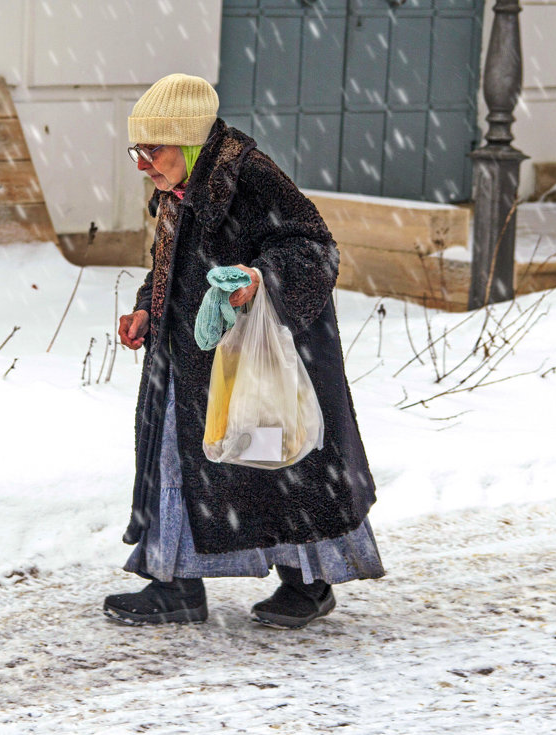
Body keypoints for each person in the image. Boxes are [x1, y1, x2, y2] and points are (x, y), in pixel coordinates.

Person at [105, 73, 384, 629]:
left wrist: (262, 281)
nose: (142, 163)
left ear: (186, 139)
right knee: (176, 461)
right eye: (137, 150)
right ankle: (173, 584)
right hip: (188, 360)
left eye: (151, 149)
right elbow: (170, 263)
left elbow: (314, 247)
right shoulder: (180, 184)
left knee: (282, 468)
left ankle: (309, 585)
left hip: (260, 361)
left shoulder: (246, 175)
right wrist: (147, 308)